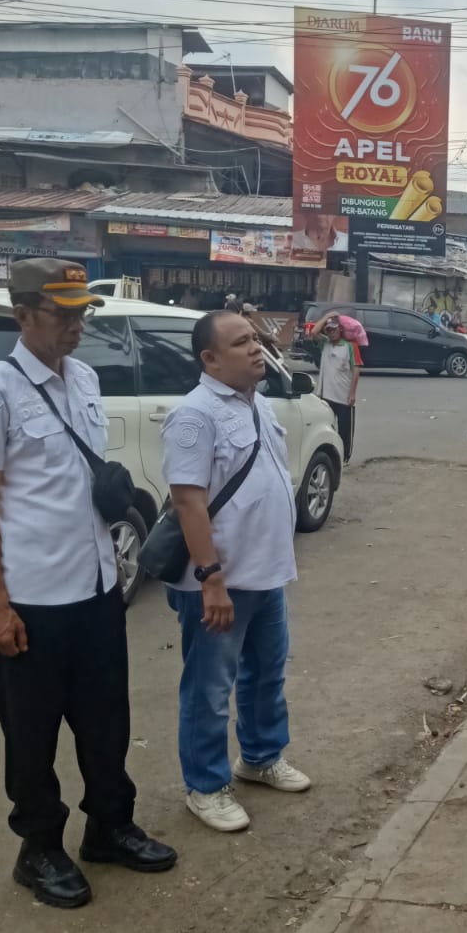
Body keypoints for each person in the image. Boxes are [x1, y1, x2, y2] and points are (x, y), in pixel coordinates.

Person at [0, 259, 177, 907]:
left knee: (107, 719)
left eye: (82, 311)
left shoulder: (84, 376)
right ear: (23, 314)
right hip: (31, 595)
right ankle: (39, 849)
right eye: (63, 313)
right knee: (31, 734)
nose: (76, 324)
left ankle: (109, 827)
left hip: (95, 586)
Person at [162, 310, 311, 833]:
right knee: (208, 687)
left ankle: (261, 757)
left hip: (265, 574)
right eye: (242, 342)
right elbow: (189, 501)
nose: (256, 348)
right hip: (218, 583)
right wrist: (212, 580)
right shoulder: (195, 414)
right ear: (210, 359)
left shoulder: (258, 403)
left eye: (256, 339)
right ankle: (205, 786)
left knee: (266, 673)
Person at [316, 314, 358, 464]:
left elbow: (356, 370)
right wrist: (327, 316)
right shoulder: (325, 344)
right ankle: (331, 456)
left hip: (344, 396)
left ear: (340, 329)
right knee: (326, 428)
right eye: (328, 330)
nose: (331, 332)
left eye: (333, 329)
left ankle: (345, 457)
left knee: (344, 429)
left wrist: (352, 393)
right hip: (325, 396)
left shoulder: (350, 346)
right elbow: (313, 332)